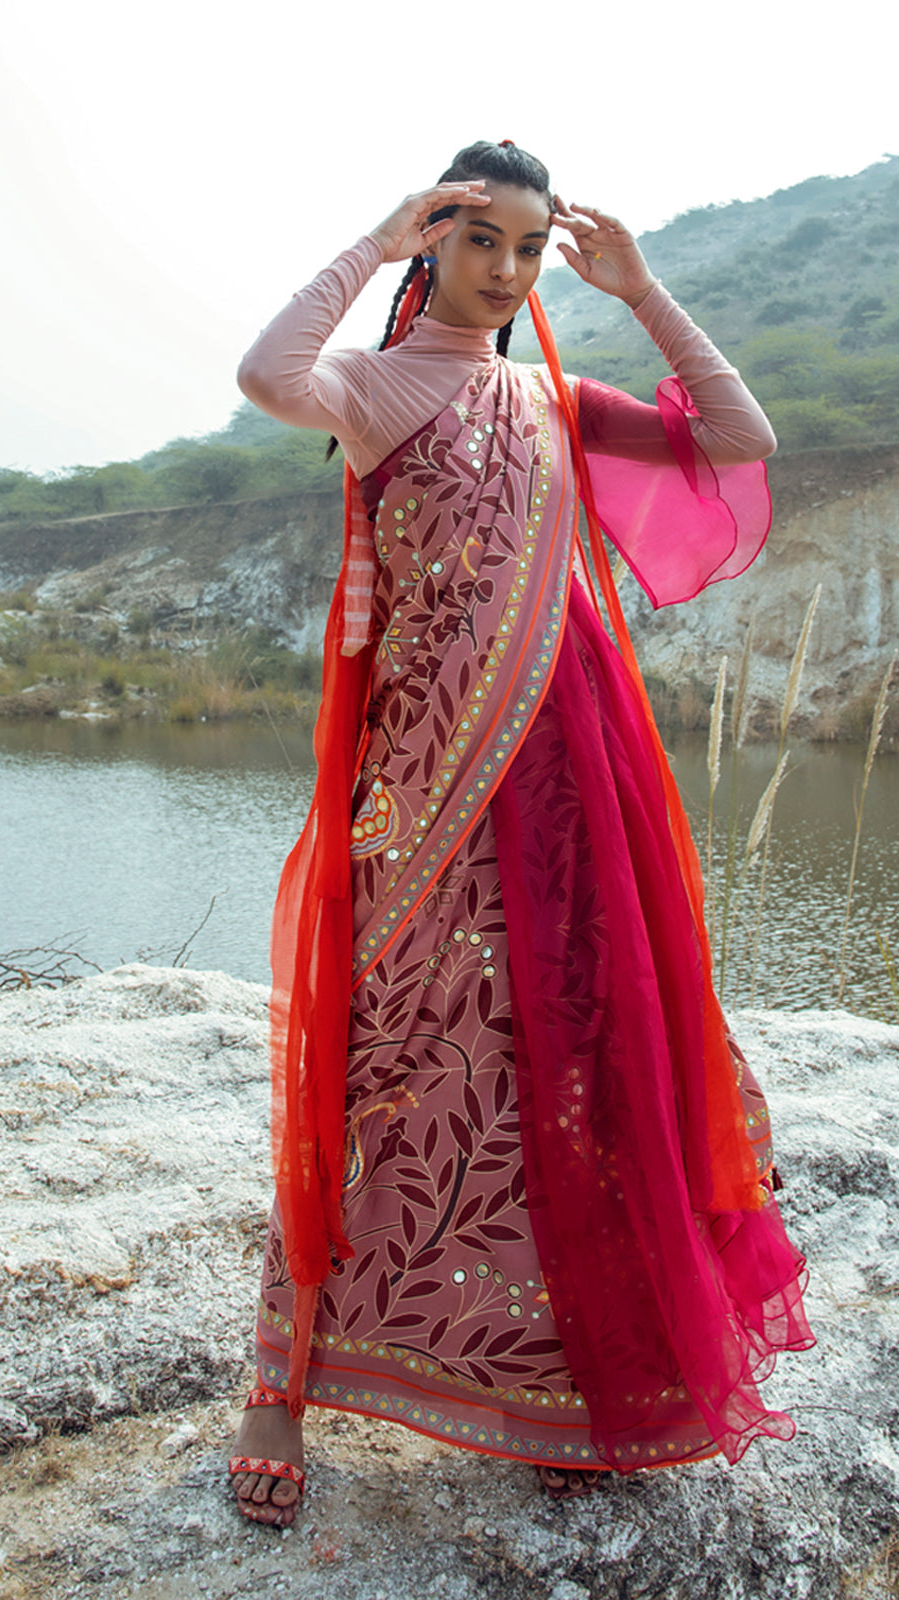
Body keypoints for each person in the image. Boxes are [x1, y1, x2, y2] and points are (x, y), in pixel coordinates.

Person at [230, 141, 812, 1526]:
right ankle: (277, 1381)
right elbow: (266, 374)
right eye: (478, 238)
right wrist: (372, 245)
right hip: (427, 781)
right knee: (382, 1057)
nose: (504, 270)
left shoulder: (553, 394)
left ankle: (556, 1372)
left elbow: (739, 444)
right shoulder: (374, 387)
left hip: (570, 784)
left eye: (528, 249)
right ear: (437, 241)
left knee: (572, 1056)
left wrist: (647, 290)